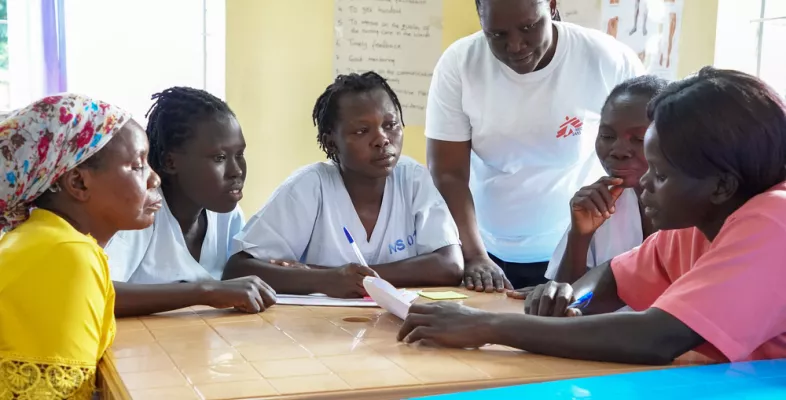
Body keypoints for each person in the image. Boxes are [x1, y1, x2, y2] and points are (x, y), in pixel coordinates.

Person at [398, 68, 786, 364]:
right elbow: (611, 278)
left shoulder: (774, 220)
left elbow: (658, 337)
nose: (645, 182)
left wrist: (484, 325)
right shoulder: (695, 225)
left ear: (721, 185)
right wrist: (573, 296)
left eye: (662, 174)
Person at [425, 0, 646, 292]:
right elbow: (448, 172)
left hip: (581, 252)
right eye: (497, 34)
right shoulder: (460, 64)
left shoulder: (607, 59)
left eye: (528, 27)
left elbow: (645, 151)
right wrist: (475, 255)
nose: (515, 45)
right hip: (485, 252)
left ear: (552, 6)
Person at [225, 72, 463, 298]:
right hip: (319, 331)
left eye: (390, 125)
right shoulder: (309, 187)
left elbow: (449, 265)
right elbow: (238, 270)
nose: (382, 139)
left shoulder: (413, 179)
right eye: (361, 131)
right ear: (331, 143)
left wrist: (331, 275)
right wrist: (328, 281)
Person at [0, 94, 161, 398]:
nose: (154, 178)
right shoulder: (67, 254)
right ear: (78, 183)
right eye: (137, 165)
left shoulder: (41, 237)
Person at [104, 87, 276, 317]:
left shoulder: (226, 215)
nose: (236, 171)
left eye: (240, 154)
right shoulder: (139, 215)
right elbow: (100, 294)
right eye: (220, 158)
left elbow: (233, 280)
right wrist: (204, 292)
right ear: (170, 162)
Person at [537, 75, 666, 284]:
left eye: (639, 139)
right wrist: (580, 236)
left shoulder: (695, 213)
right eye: (607, 136)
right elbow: (564, 296)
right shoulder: (601, 202)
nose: (618, 151)